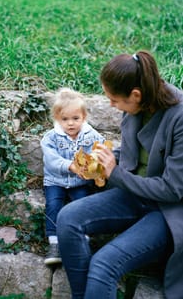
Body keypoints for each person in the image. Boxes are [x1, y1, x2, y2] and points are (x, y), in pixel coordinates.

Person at [56, 51, 183, 299]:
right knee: (68, 218)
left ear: (135, 95)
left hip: (168, 210)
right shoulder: (139, 104)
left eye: (114, 100)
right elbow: (134, 153)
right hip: (134, 194)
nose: (112, 106)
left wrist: (114, 172)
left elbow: (172, 189)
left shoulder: (179, 117)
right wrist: (100, 162)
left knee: (105, 264)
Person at [41, 87, 105, 265]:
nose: (70, 123)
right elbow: (51, 160)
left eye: (75, 118)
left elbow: (100, 150)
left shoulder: (91, 136)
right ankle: (54, 243)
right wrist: (70, 165)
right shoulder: (50, 138)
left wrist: (94, 164)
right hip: (55, 180)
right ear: (57, 119)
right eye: (65, 119)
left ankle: (82, 238)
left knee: (82, 205)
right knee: (54, 205)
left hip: (80, 181)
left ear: (83, 117)